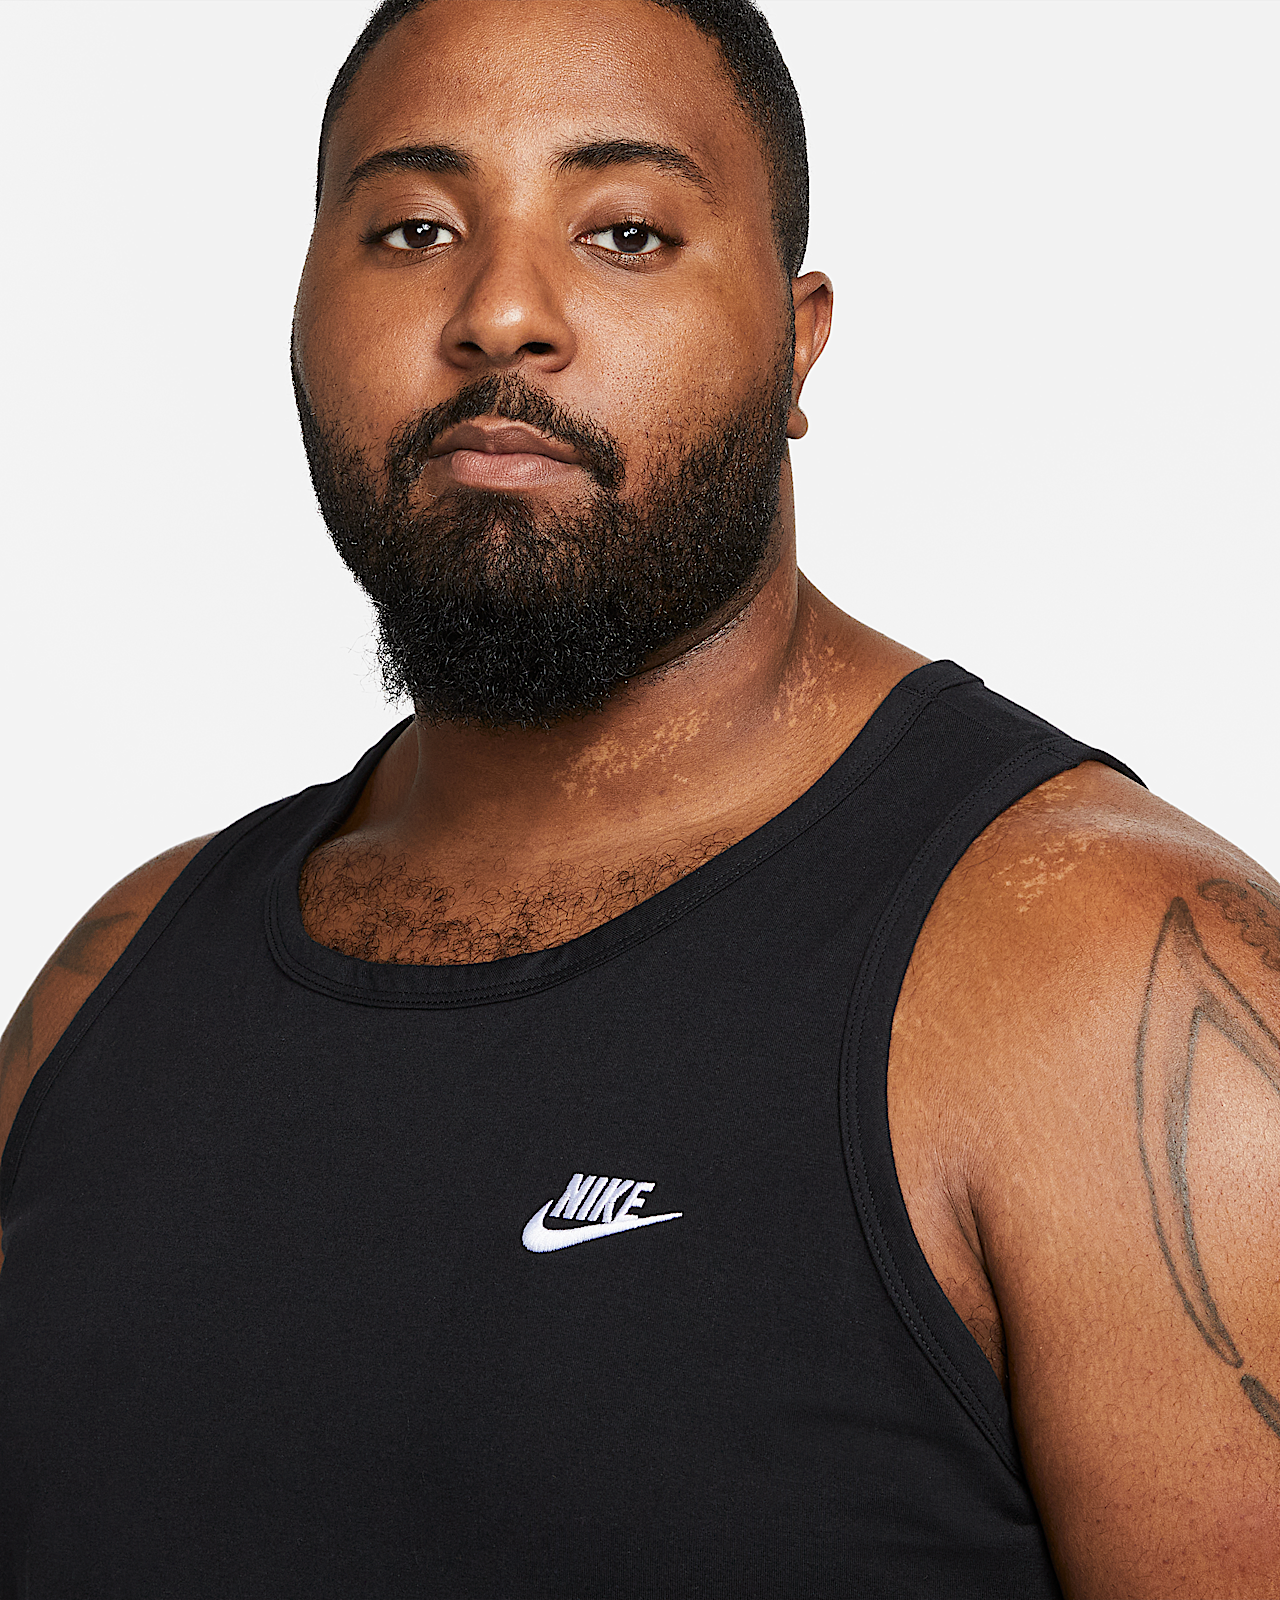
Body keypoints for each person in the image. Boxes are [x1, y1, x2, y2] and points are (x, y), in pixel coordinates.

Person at [1, 0, 1277, 1594]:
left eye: (624, 233)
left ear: (797, 342)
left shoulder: (1120, 988)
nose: (501, 313)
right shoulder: (114, 978)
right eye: (413, 229)